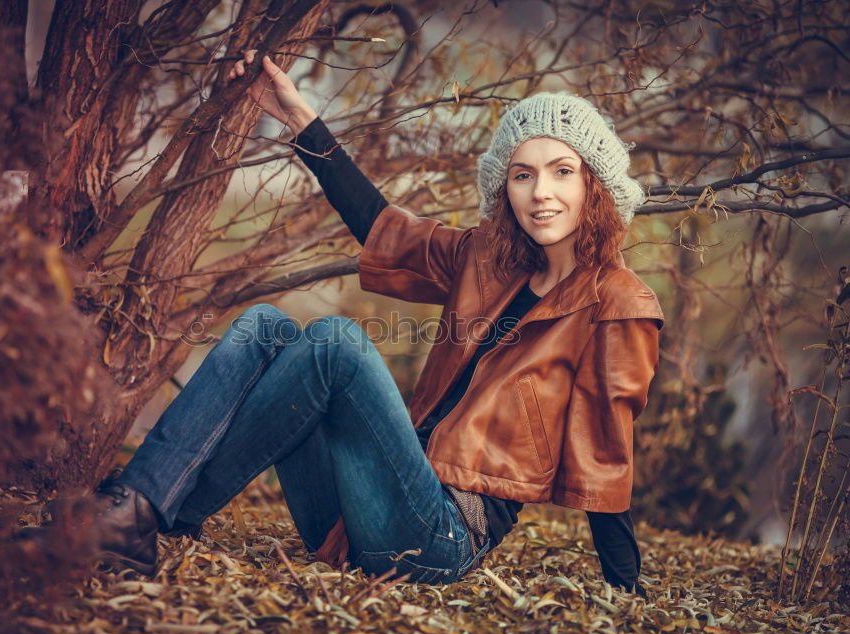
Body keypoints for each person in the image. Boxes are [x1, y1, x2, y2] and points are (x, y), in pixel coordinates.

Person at [39, 50, 663, 597]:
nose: (540, 192)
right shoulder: (487, 259)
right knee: (263, 326)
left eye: (562, 171)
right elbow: (381, 227)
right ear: (505, 189)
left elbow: (605, 459)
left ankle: (147, 516)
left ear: (595, 185)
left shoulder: (619, 303)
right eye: (522, 175)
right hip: (356, 514)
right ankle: (140, 511)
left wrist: (626, 589)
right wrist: (300, 121)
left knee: (337, 342)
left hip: (440, 538)